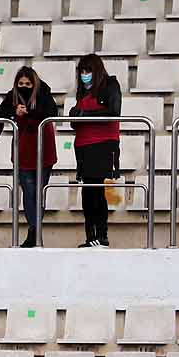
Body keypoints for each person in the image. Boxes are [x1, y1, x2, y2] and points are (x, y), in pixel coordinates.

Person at [0, 66, 60, 248]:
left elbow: (51, 112)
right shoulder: (13, 96)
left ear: (34, 83)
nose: (24, 86)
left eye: (28, 83)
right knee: (28, 192)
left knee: (39, 192)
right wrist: (13, 111)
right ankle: (34, 230)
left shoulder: (44, 94)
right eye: (21, 83)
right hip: (23, 152)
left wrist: (29, 112)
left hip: (43, 151)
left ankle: (34, 231)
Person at [70, 54, 122, 249]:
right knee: (87, 192)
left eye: (88, 71)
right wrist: (76, 115)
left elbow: (113, 112)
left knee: (98, 191)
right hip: (83, 146)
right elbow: (76, 122)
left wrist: (84, 115)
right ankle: (90, 235)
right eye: (82, 72)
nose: (85, 75)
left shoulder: (110, 85)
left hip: (104, 144)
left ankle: (102, 235)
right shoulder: (83, 92)